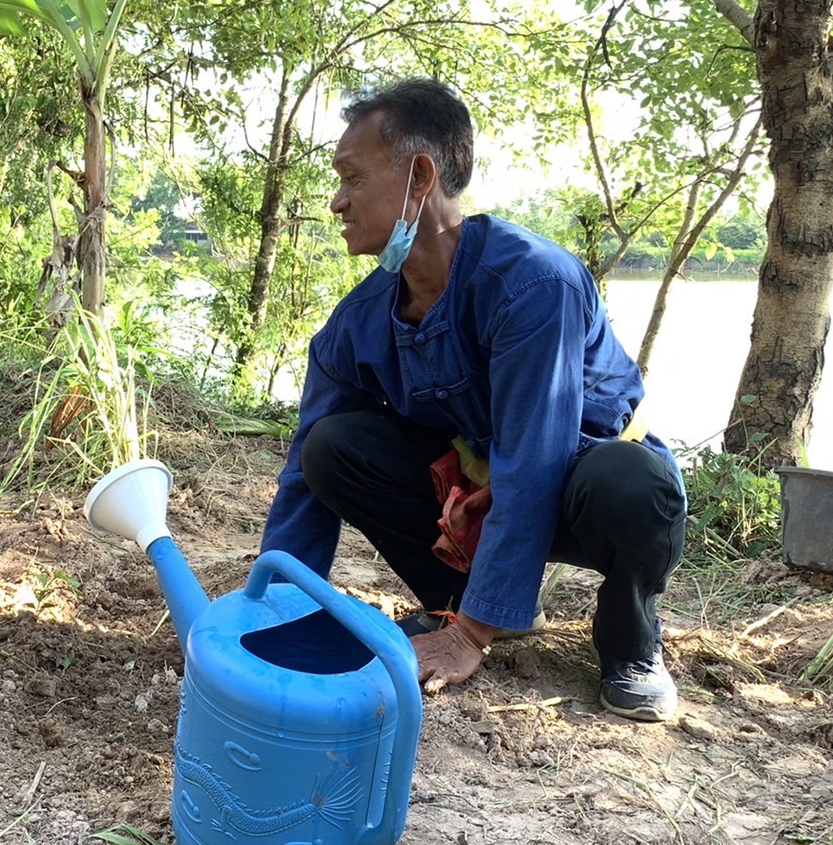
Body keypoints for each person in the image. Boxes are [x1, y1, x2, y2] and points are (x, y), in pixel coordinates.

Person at [259, 79, 687, 721]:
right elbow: (302, 477)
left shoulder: (532, 283)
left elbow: (536, 461)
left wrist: (472, 637)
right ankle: (461, 599)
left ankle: (630, 644)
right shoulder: (356, 325)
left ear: (420, 176)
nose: (336, 202)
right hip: (477, 494)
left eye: (352, 178)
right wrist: (271, 606)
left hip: (581, 489)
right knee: (331, 448)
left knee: (634, 481)